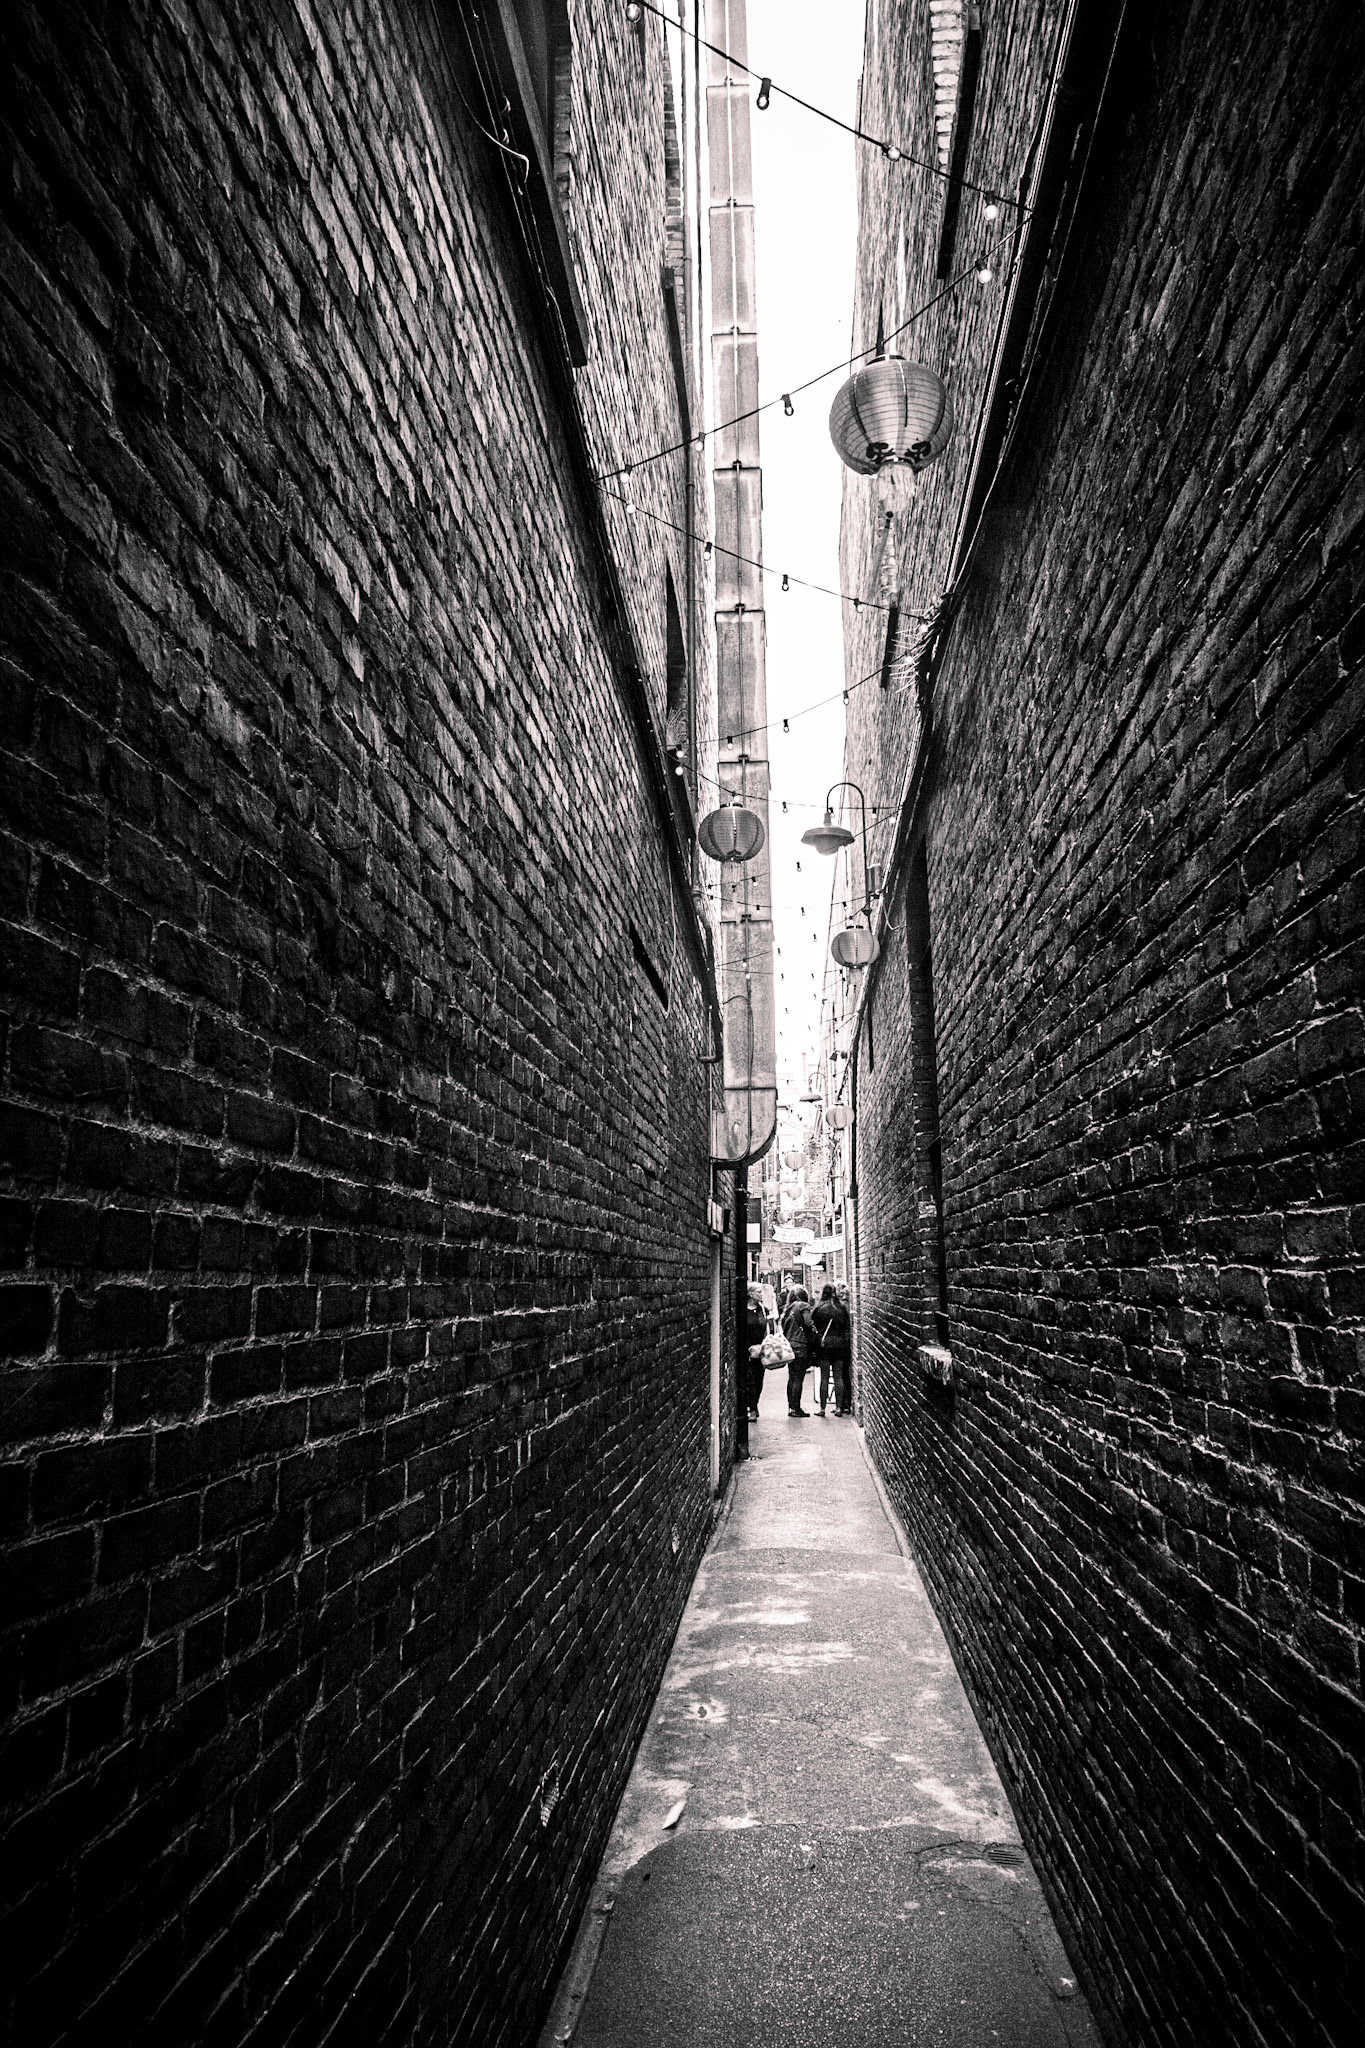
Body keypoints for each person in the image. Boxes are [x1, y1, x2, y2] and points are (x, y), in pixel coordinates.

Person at [812, 1283, 852, 1415]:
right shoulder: (841, 1308)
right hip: (840, 1346)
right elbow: (847, 1328)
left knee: (824, 1378)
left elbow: (815, 1327)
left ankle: (822, 1408)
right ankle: (839, 1407)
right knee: (838, 1377)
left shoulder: (820, 1308)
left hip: (825, 1346)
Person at [779, 1287, 816, 1416]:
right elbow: (808, 1322)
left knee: (792, 1377)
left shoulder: (787, 1309)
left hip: (789, 1346)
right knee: (798, 1378)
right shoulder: (803, 1306)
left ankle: (791, 1407)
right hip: (800, 1346)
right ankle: (796, 1408)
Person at [745, 1284, 768, 1422]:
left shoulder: (763, 1310)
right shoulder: (743, 1311)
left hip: (761, 1351)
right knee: (750, 1380)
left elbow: (767, 1330)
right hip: (747, 1351)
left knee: (759, 1380)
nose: (761, 1294)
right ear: (751, 1293)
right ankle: (751, 1409)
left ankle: (755, 1405)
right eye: (759, 1292)